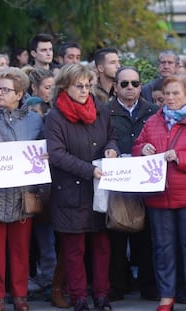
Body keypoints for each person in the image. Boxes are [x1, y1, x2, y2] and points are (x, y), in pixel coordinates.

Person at [0, 67, 45, 311]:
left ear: (20, 93)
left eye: (5, 90)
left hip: (23, 194)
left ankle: (20, 295)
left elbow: (43, 154)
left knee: (21, 250)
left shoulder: (35, 121)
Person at [45, 63, 119, 311]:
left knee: (101, 246)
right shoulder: (55, 116)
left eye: (88, 85)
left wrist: (112, 149)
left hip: (99, 190)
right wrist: (89, 170)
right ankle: (78, 298)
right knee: (74, 249)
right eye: (79, 86)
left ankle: (101, 296)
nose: (85, 90)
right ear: (65, 86)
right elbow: (56, 154)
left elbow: (112, 136)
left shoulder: (101, 110)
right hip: (70, 190)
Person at [132, 75, 186, 311]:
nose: (171, 98)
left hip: (184, 196)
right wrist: (141, 148)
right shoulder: (153, 121)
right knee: (163, 248)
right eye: (168, 94)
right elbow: (136, 147)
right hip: (158, 196)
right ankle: (167, 295)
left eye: (176, 93)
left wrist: (181, 158)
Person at [106, 66, 159, 302]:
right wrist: (112, 149)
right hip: (117, 180)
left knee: (146, 237)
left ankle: (148, 286)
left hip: (146, 180)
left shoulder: (153, 111)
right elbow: (104, 139)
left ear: (141, 85)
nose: (130, 88)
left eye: (135, 84)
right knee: (116, 234)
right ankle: (118, 286)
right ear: (115, 86)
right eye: (124, 84)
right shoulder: (105, 111)